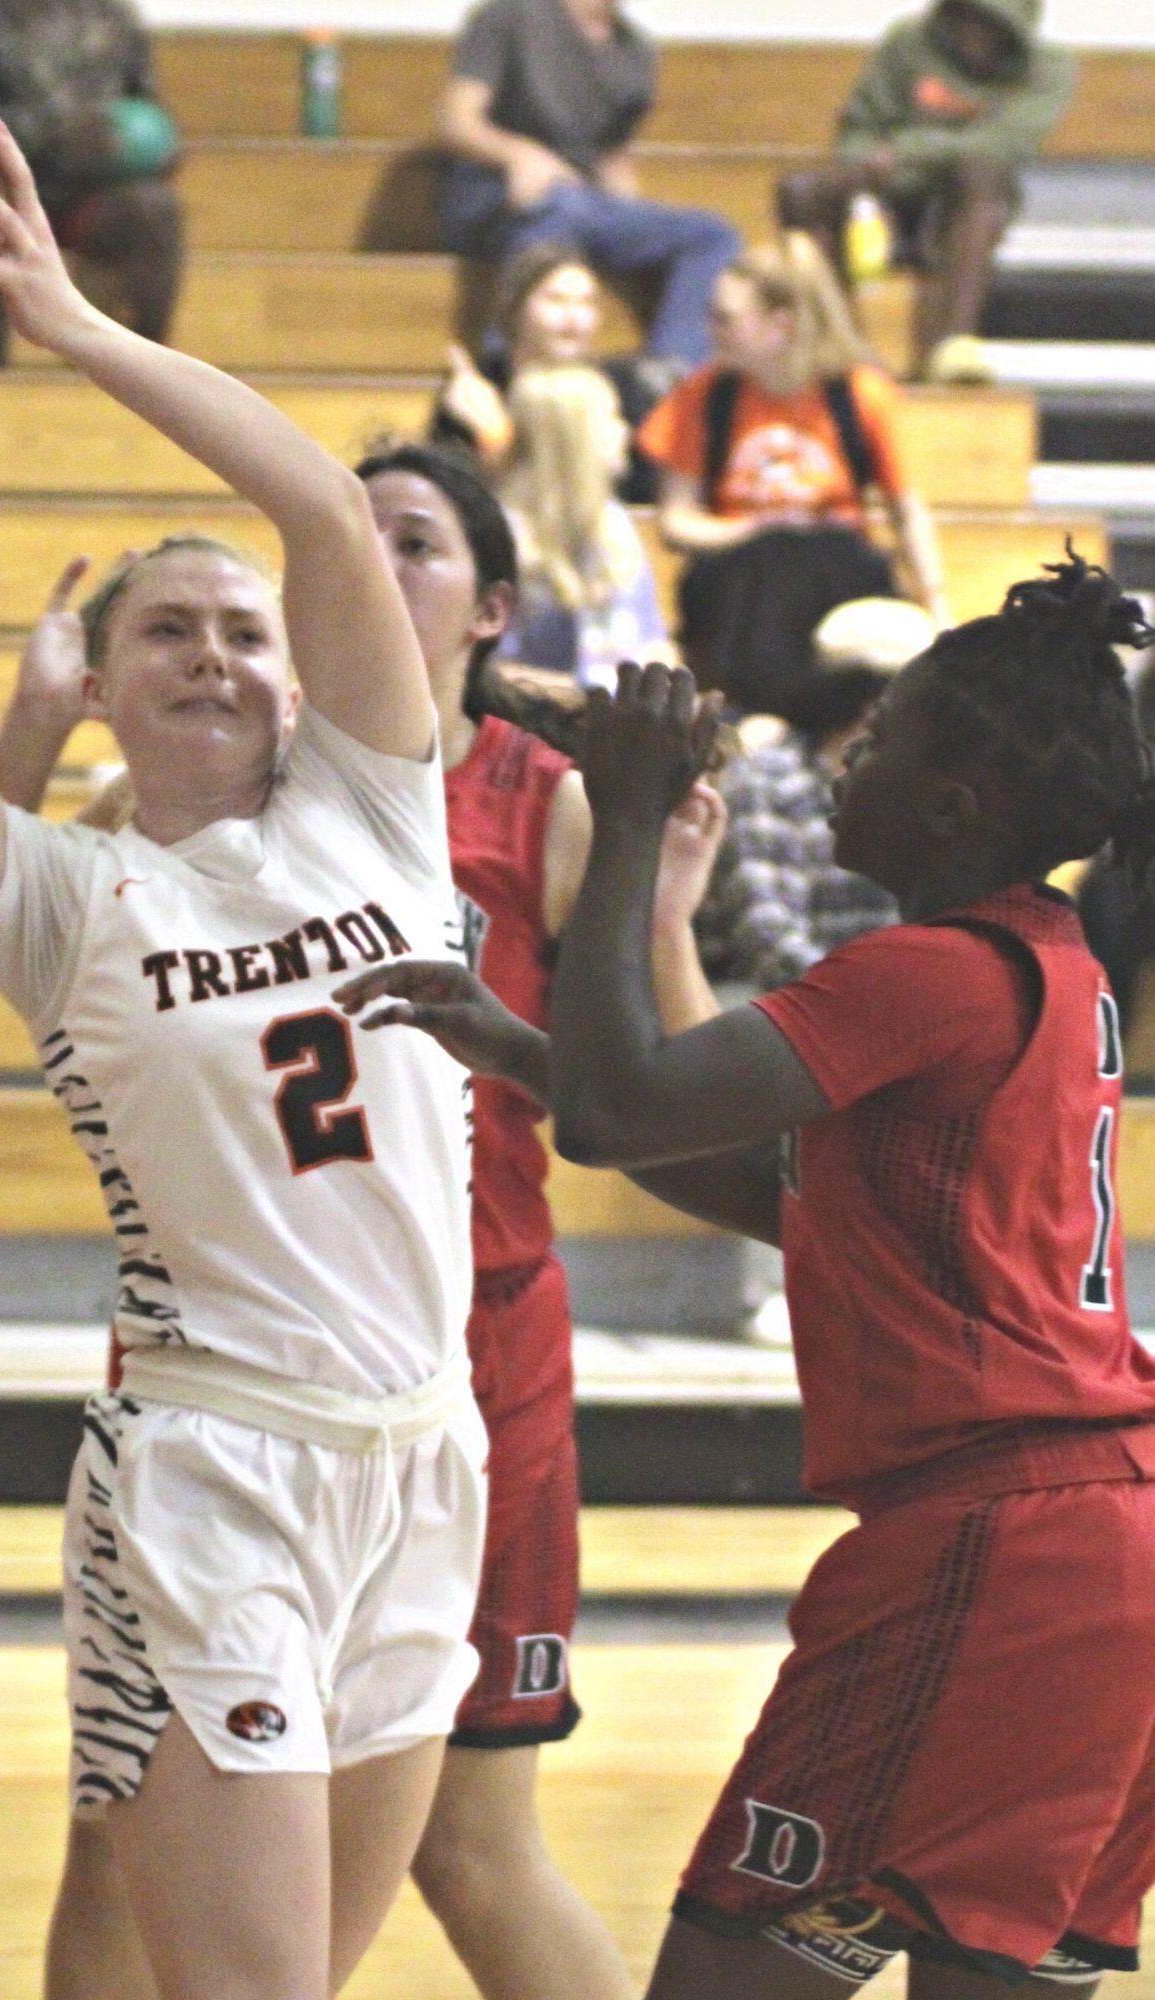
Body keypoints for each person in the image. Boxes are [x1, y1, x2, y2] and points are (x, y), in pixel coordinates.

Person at [0, 113, 490, 2000]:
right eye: (165, 633)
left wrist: (71, 324)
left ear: (304, 679)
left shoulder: (380, 813)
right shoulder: (66, 898)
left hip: (426, 1458)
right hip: (213, 1474)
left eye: (242, 632)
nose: (214, 654)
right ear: (99, 681)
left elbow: (312, 497)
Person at [0, 442, 725, 2000]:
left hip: (465, 1361)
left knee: (470, 1845)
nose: (365, 570)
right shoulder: (215, 791)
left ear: (491, 605)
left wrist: (659, 916)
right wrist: (41, 719)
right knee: (117, 1833)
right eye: (351, 536)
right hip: (213, 1368)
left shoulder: (541, 801)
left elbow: (664, 1084)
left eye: (412, 543)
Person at [341, 553, 1155, 1993]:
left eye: (883, 736)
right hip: (1099, 1551)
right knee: (980, 1975)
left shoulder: (929, 975)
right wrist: (514, 1043)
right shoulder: (1057, 963)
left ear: (954, 808)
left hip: (991, 1554)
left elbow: (614, 1110)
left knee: (731, 1980)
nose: (848, 759)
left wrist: (631, 817)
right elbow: (766, 1189)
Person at [638, 233, 949, 715]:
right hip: (738, 576)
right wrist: (757, 529)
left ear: (779, 326)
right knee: (768, 563)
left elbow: (906, 511)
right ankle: (772, 721)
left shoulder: (858, 395)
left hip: (836, 573)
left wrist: (938, 607)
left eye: (727, 319)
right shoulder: (705, 395)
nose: (710, 330)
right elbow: (676, 521)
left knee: (817, 567)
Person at [436, 0, 740, 374]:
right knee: (555, 208)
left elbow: (614, 157)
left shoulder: (634, 49)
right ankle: (506, 370)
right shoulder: (510, 16)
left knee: (711, 235)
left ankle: (671, 373)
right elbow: (457, 121)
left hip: (582, 199)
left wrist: (630, 218)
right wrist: (519, 155)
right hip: (495, 191)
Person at [777, 0, 1075, 381]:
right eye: (965, 17)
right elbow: (858, 129)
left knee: (978, 175)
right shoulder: (909, 42)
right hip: (884, 194)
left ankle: (952, 347)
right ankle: (840, 346)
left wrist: (904, 151)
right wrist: (868, 167)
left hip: (964, 203)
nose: (973, 34)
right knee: (801, 191)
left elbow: (1001, 145)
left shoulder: (1048, 68)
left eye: (987, 24)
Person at [0, 0, 182, 364]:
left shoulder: (111, 13)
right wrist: (58, 131)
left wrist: (159, 146)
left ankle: (148, 362)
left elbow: (145, 110)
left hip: (89, 188)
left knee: (155, 208)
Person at [695, 597, 935, 993]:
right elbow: (766, 935)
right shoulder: (769, 778)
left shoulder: (930, 789)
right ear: (870, 706)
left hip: (880, 1007)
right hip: (778, 1006)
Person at [430, 243, 666, 503]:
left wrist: (497, 436)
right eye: (556, 300)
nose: (574, 317)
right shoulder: (479, 388)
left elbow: (642, 494)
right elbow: (449, 497)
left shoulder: (621, 389)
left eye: (586, 303)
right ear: (517, 308)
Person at [494, 365, 666, 689]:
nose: (624, 431)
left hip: (624, 717)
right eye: (611, 418)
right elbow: (490, 673)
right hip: (539, 720)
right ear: (570, 438)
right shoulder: (504, 536)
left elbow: (654, 643)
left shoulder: (615, 522)